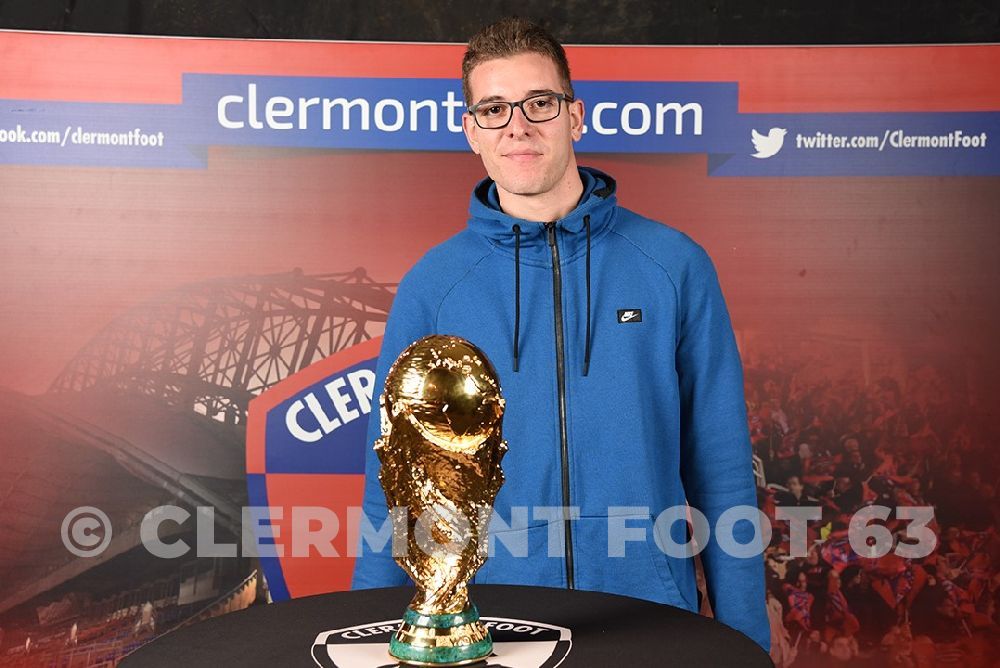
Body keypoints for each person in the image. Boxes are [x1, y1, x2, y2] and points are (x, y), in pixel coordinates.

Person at [351, 16, 770, 651]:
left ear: (574, 116)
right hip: (491, 632)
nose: (517, 126)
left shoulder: (674, 265)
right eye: (493, 108)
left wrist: (747, 644)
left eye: (538, 103)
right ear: (471, 132)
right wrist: (370, 636)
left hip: (650, 616)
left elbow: (723, 473)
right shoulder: (433, 287)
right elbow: (395, 488)